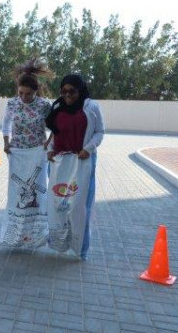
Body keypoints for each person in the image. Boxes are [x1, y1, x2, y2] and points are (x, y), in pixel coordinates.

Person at [45, 74, 104, 260]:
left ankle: (80, 248)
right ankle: (59, 242)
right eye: (63, 91)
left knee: (78, 206)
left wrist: (88, 148)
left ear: (81, 90)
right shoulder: (57, 107)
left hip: (82, 161)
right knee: (58, 204)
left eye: (72, 91)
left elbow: (99, 131)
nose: (68, 95)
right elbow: (54, 133)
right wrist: (49, 149)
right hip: (59, 163)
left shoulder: (92, 107)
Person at [0, 59, 53, 248]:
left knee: (38, 190)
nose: (24, 97)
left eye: (28, 94)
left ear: (36, 92)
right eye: (21, 93)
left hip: (38, 153)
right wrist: (6, 143)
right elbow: (5, 125)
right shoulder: (12, 104)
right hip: (18, 154)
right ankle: (16, 233)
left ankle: (36, 234)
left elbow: (56, 126)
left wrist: (48, 142)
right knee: (17, 191)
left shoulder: (44, 105)